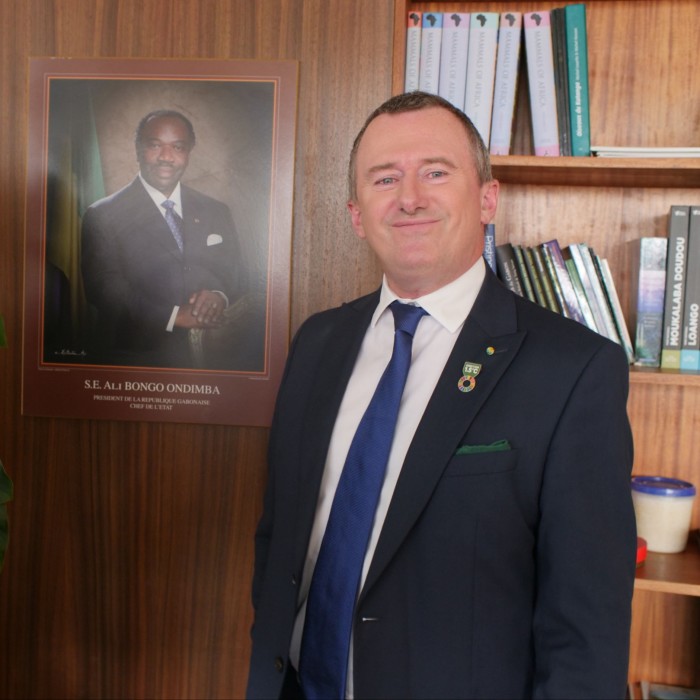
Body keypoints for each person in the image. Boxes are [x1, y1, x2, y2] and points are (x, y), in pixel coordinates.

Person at [247, 92, 636, 699]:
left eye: (435, 171)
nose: (409, 197)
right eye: (385, 178)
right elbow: (281, 536)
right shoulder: (317, 341)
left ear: (487, 197)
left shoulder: (575, 370)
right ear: (356, 213)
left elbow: (585, 627)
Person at [81, 109, 260, 369]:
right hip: (136, 360)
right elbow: (105, 292)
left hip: (217, 360)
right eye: (155, 145)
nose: (166, 157)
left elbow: (237, 274)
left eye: (177, 147)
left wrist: (219, 296)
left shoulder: (216, 211)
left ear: (188, 152)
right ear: (138, 149)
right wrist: (174, 317)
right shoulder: (102, 214)